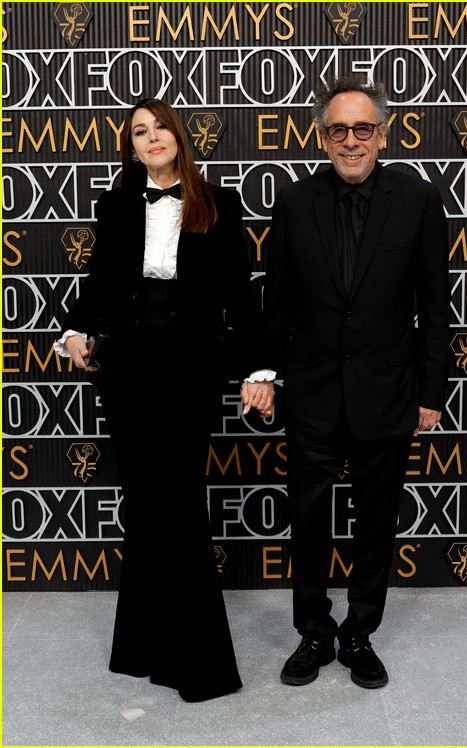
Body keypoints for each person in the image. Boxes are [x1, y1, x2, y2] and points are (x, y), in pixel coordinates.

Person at [54, 98, 275, 703]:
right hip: (127, 368)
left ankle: (200, 665)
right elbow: (99, 280)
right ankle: (142, 649)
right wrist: (75, 329)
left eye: (160, 128)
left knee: (177, 501)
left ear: (180, 136)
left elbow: (240, 294)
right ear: (131, 145)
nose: (151, 138)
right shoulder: (116, 203)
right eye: (139, 132)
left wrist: (258, 369)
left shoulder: (218, 202)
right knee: (147, 503)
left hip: (191, 368)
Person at [263, 75, 450, 689]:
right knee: (310, 521)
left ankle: (360, 632)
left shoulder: (419, 200)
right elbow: (278, 305)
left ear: (383, 133)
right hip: (312, 391)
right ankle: (314, 632)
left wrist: (430, 394)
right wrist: (267, 374)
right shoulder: (292, 203)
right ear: (322, 138)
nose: (351, 140)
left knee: (375, 523)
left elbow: (434, 305)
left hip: (389, 391)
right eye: (338, 129)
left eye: (362, 128)